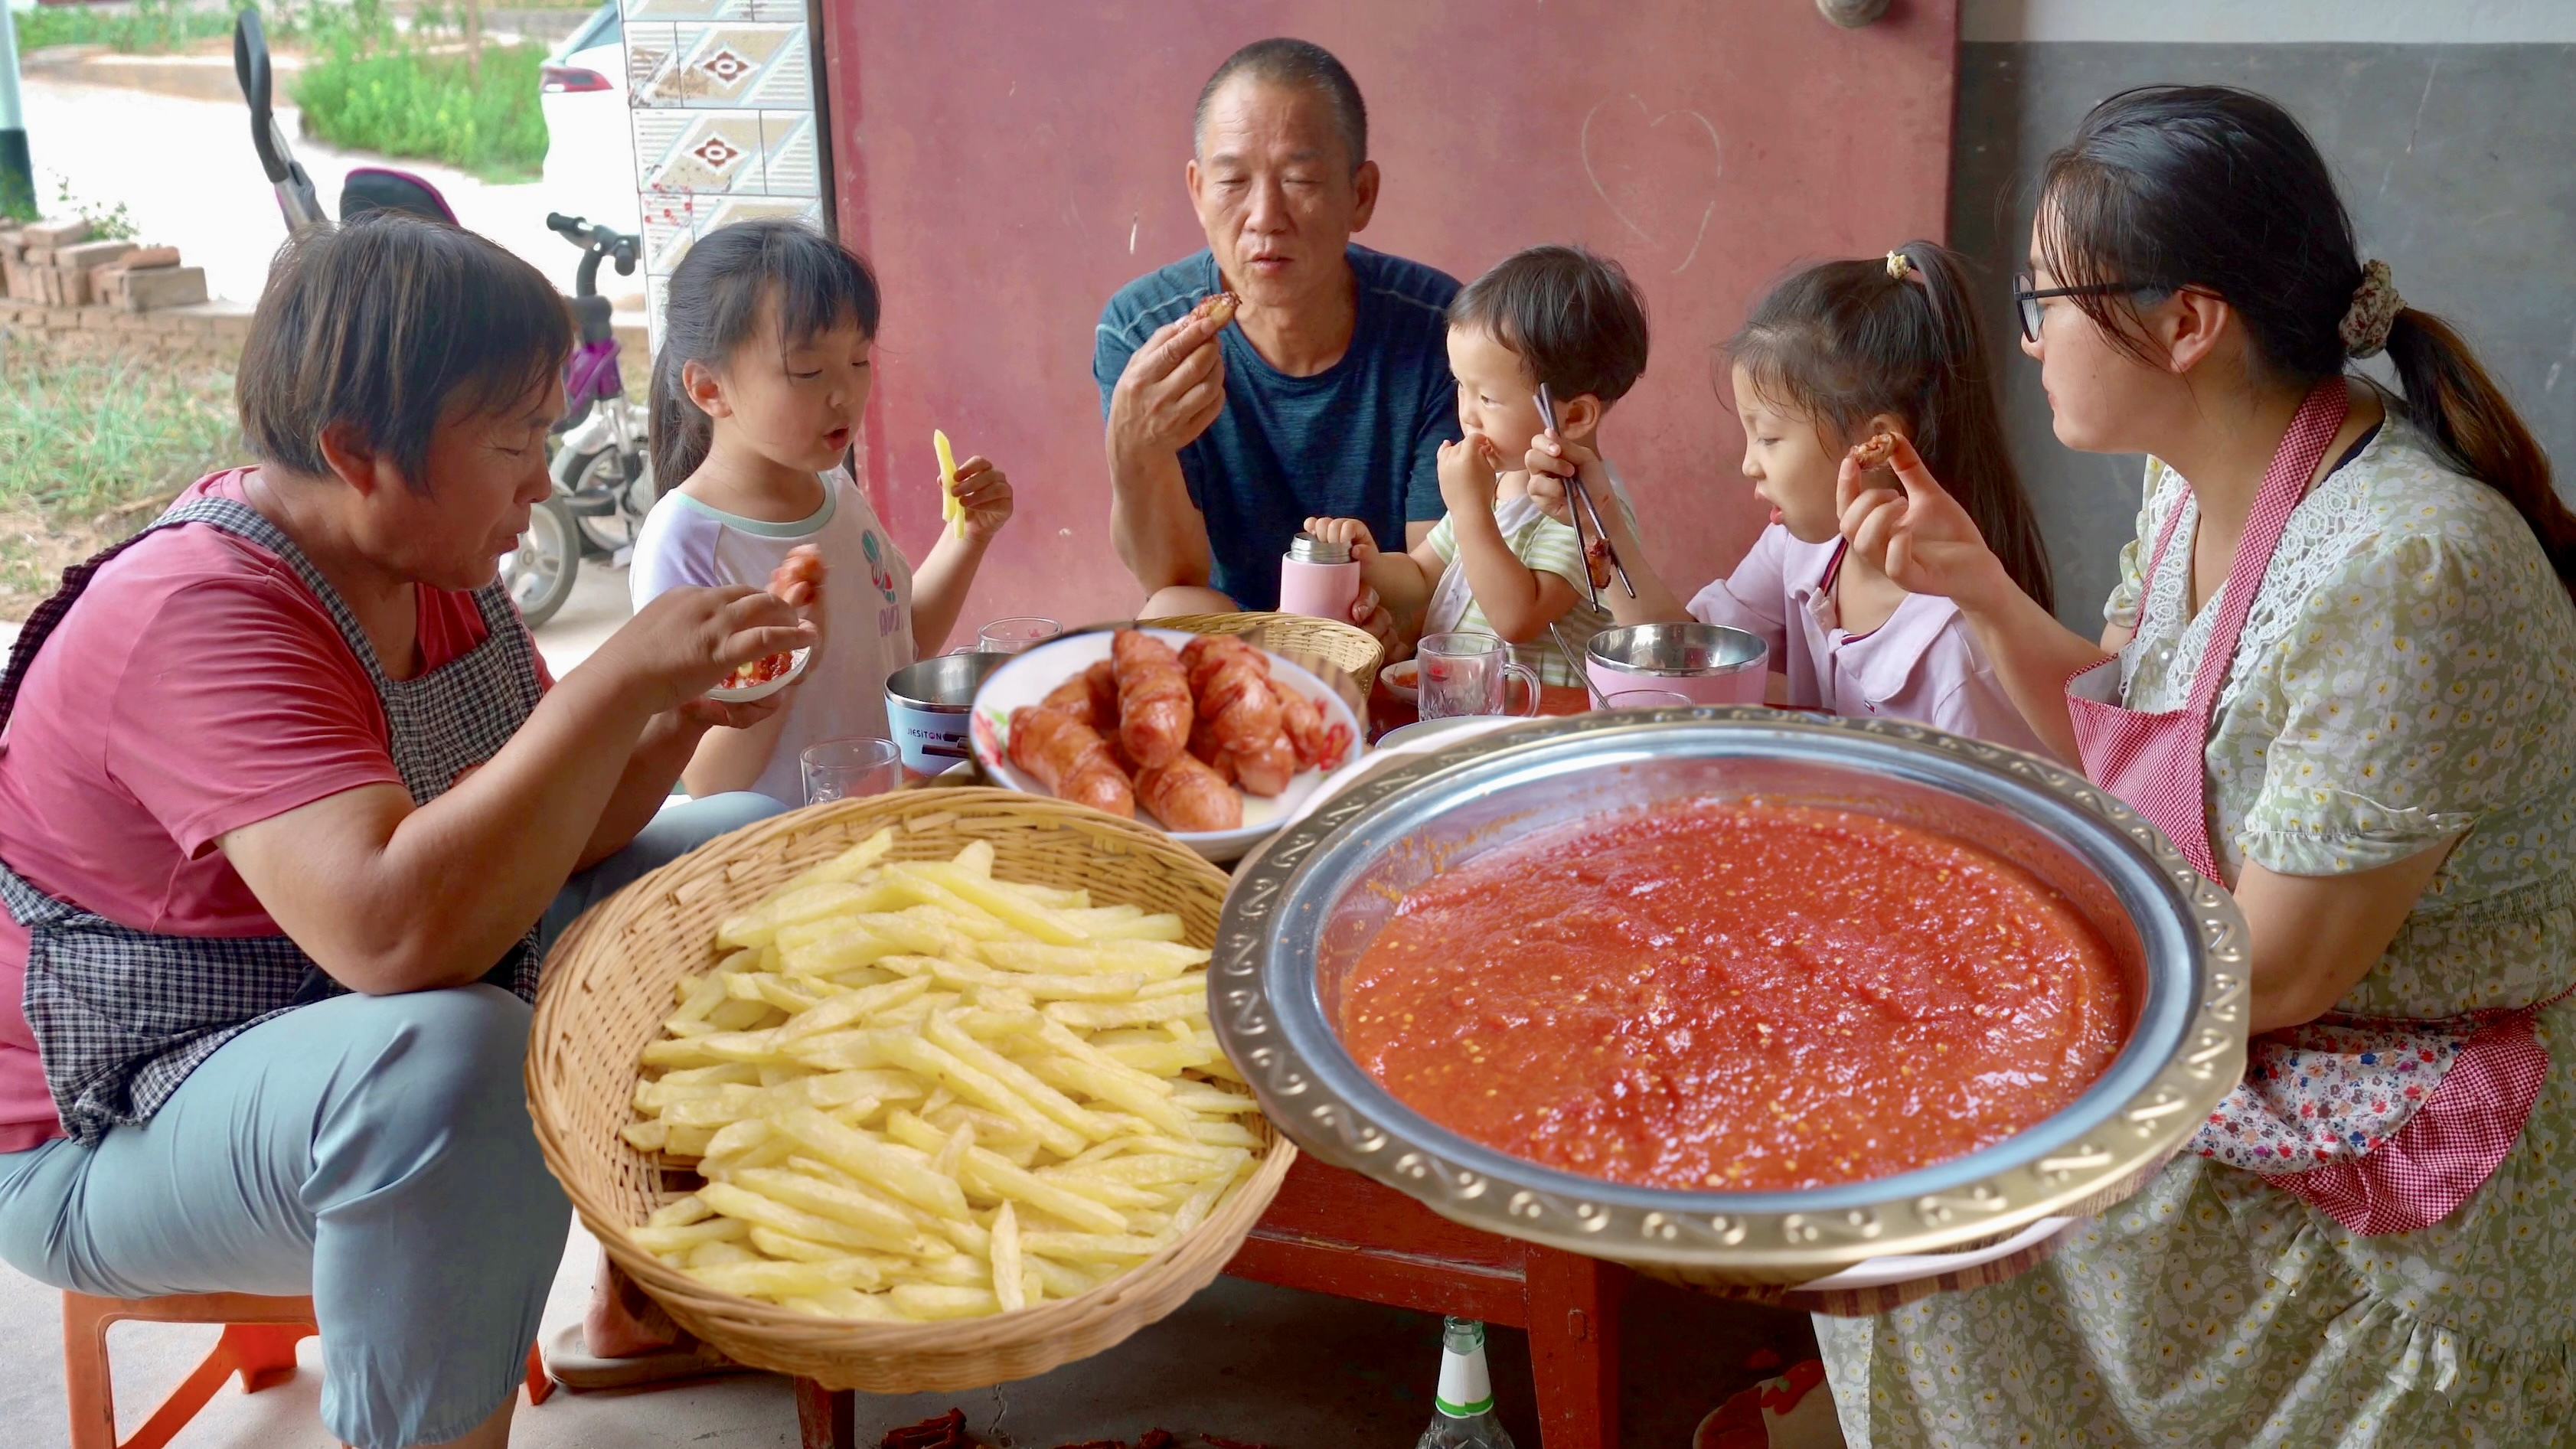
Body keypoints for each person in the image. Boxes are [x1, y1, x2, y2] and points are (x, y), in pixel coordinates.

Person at [1819, 86, 2576, 1445]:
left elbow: (2275, 973)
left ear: (2186, 325)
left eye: (2045, 300)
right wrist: (1972, 585)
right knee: (1899, 1132)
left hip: (2394, 1145)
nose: (2029, 340)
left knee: (1925, 1190)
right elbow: (2138, 752)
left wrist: (1977, 987)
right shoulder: (2188, 485)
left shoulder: (2411, 569)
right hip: (2254, 1029)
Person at [0, 214, 811, 1449]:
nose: (542, 480)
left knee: (736, 851)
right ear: (357, 451)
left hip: (331, 1017)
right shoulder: (198, 612)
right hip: (111, 1126)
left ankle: (659, 1297)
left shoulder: (434, 556)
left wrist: (667, 718)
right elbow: (392, 935)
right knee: (454, 1071)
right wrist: (612, 685)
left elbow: (557, 836)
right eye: (515, 439)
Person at [1526, 242, 2052, 752]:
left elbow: (1995, 809)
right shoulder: (1803, 548)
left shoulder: (1960, 652)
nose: (1748, 464)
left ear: (1875, 446)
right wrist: (1599, 522)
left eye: (1769, 438)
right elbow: (1687, 660)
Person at [631, 219, 1014, 806]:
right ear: (710, 389)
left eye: (859, 361)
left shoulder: (837, 491)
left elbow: (902, 643)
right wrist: (785, 664)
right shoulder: (684, 542)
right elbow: (708, 781)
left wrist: (968, 537)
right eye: (808, 371)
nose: (845, 394)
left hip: (884, 822)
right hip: (786, 846)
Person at [1095, 36, 1461, 635]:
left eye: (1300, 179)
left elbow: (1440, 576)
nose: (1264, 216)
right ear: (1197, 191)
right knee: (1167, 614)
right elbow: (1170, 579)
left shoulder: (1441, 328)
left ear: (1360, 195)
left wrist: (1395, 627)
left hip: (1380, 629)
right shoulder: (1143, 330)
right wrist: (1134, 447)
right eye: (1232, 181)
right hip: (1228, 637)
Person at [1305, 244, 1647, 690]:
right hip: (1466, 702)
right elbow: (1422, 576)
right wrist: (1366, 562)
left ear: (1576, 416)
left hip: (1540, 714)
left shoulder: (1588, 508)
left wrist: (1469, 508)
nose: (1466, 413)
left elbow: (1517, 617)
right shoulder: (1496, 483)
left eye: (1487, 397)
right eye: (1460, 386)